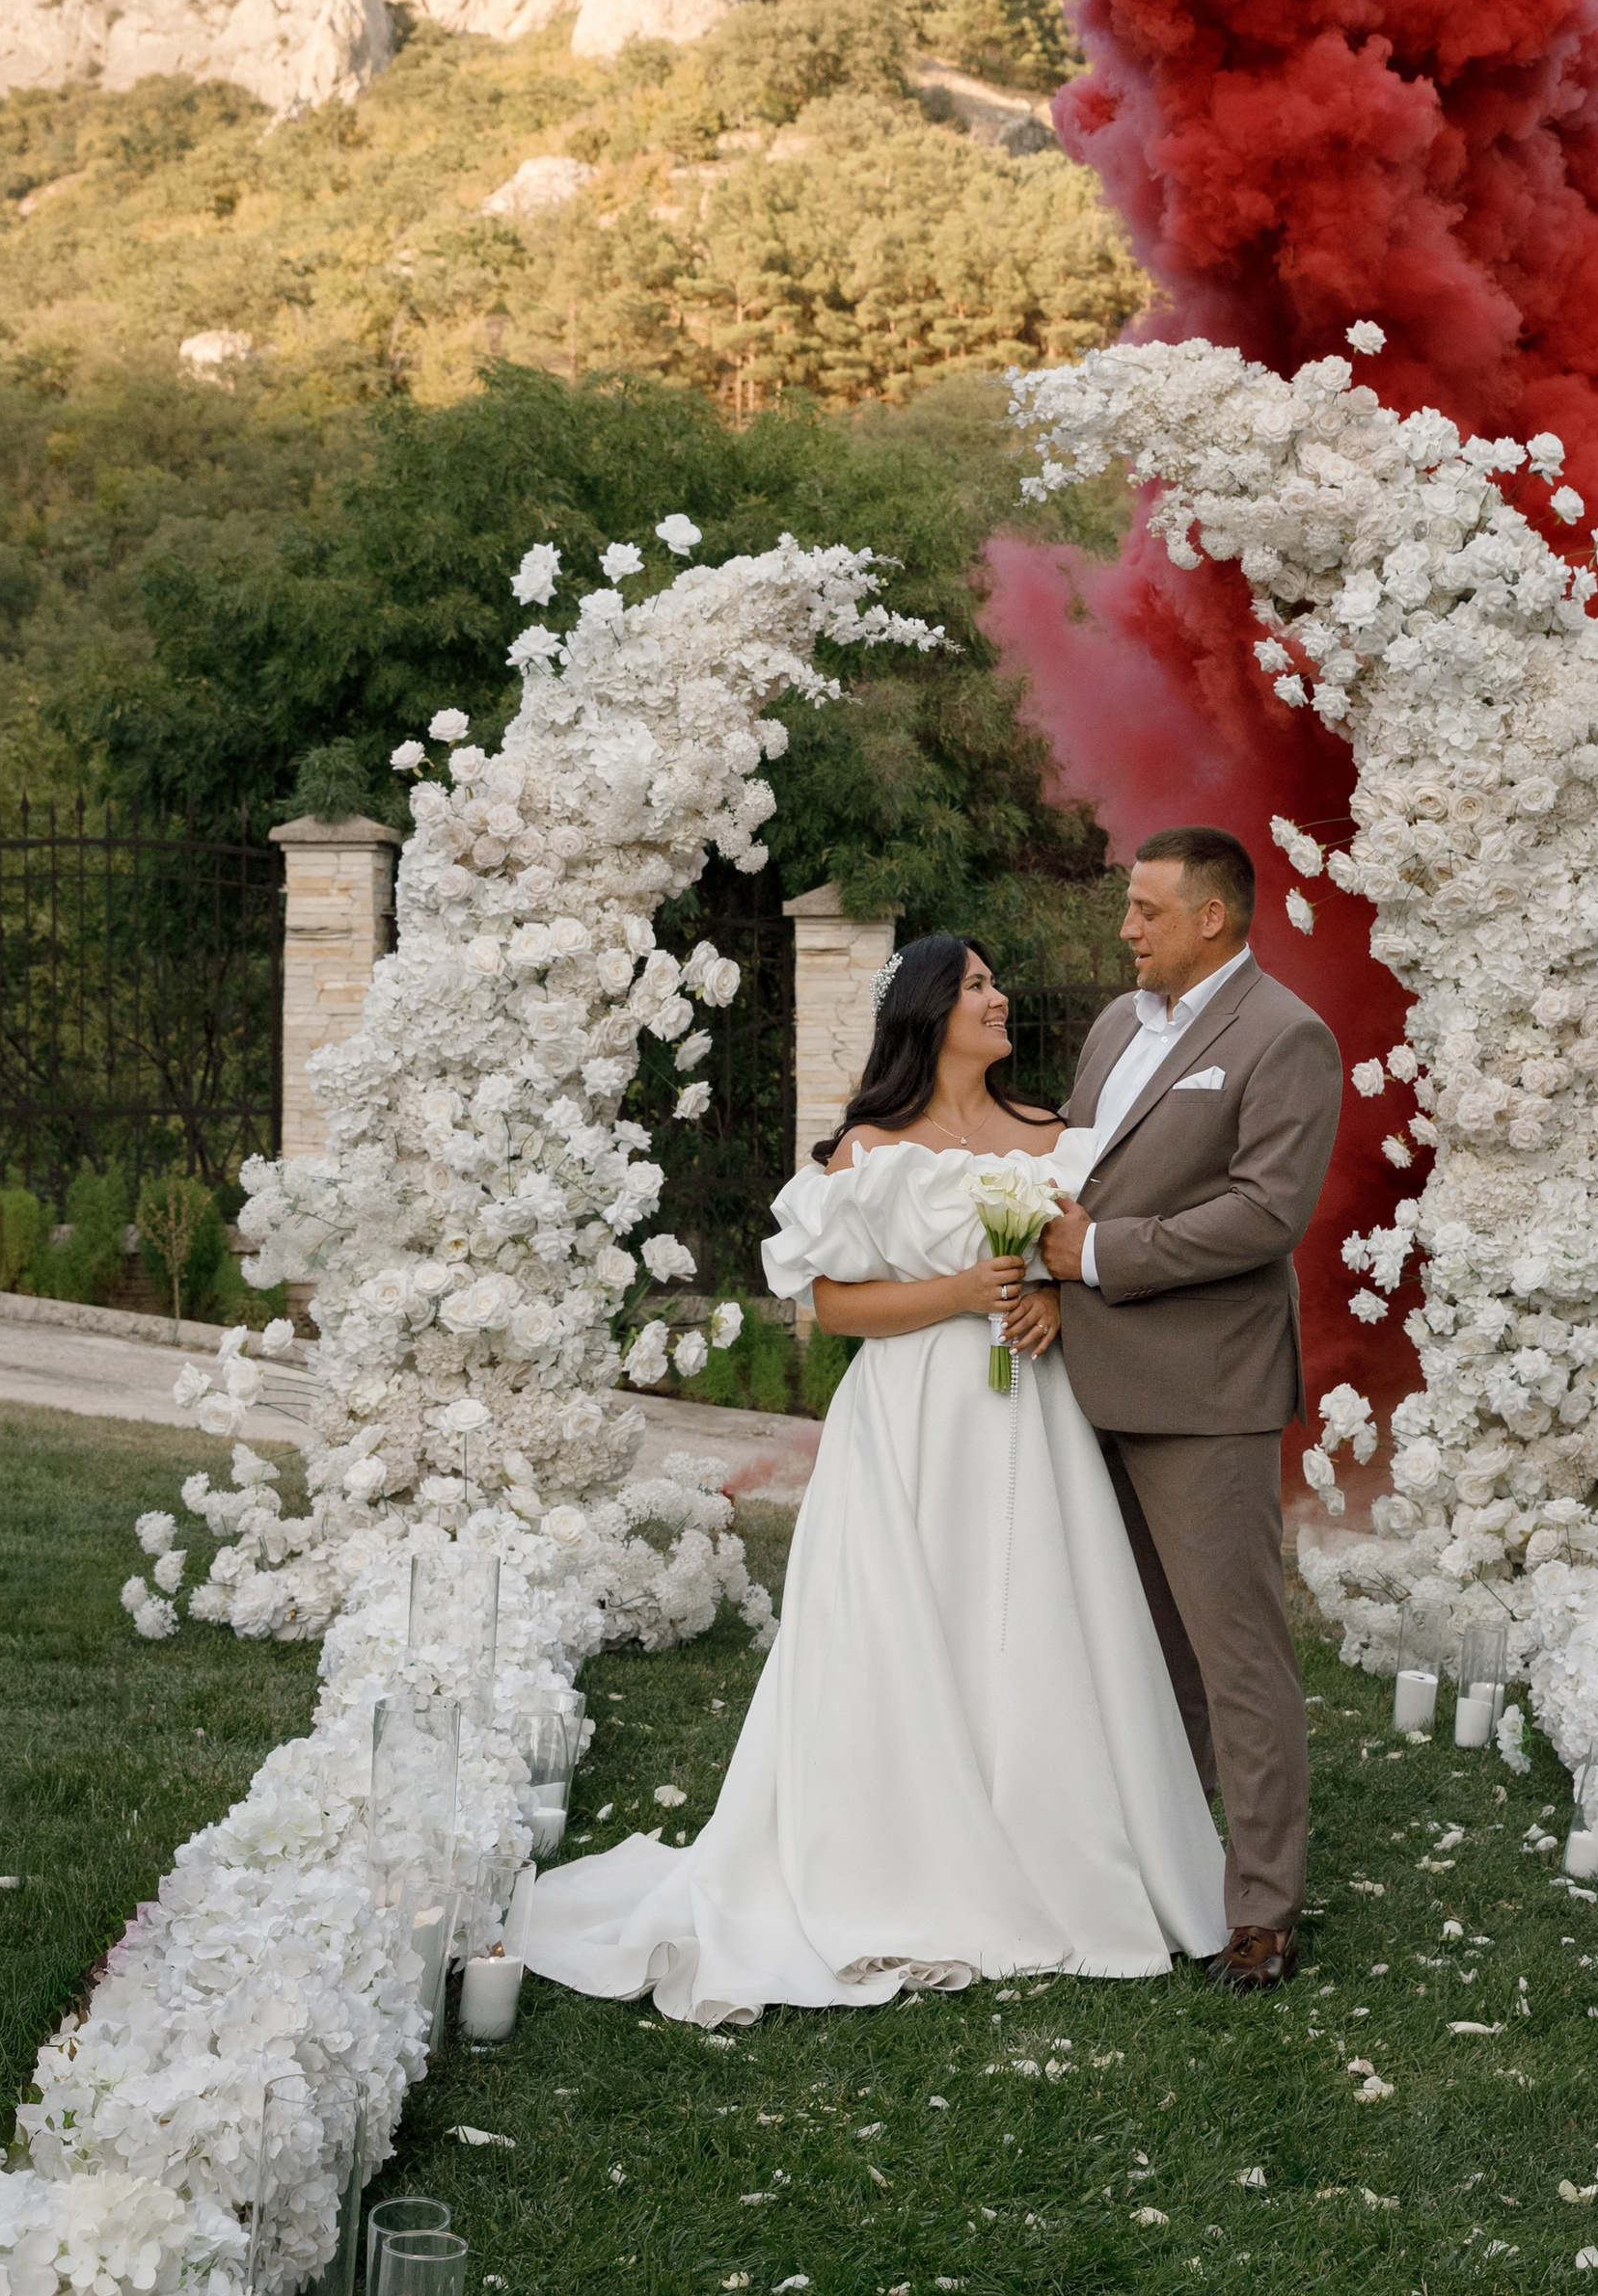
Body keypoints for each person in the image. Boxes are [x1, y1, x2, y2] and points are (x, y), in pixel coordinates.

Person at [520, 934, 1228, 2020]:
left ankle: (1058, 1847)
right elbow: (837, 1310)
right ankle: (893, 1857)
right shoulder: (863, 1148)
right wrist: (959, 1292)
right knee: (893, 1628)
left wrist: (1053, 1300)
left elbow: (1097, 1259)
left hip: (1027, 1419)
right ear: (932, 1010)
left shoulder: (1054, 1137)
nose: (1001, 997)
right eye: (980, 984)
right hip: (900, 1420)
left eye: (998, 980)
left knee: (1029, 1618)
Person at [1040, 826, 1342, 1990]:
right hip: (1082, 1377)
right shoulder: (1117, 1026)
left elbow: (1266, 1214)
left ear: (1211, 917)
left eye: (1145, 909)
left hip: (1204, 1392)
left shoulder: (1285, 1037)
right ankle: (1153, 1861)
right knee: (1128, 1643)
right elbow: (1073, 1161)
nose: (1126, 926)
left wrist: (1099, 1252)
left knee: (1233, 1656)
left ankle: (1262, 1908)